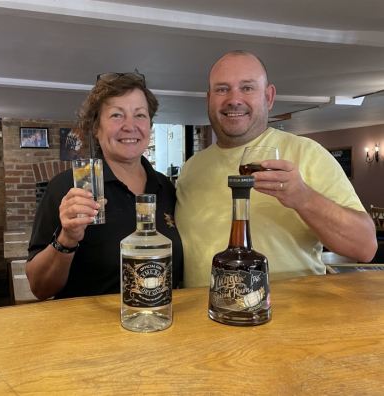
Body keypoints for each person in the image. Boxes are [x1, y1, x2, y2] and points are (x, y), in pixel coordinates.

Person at [175, 50, 377, 287]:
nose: (234, 99)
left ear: (269, 97)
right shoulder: (191, 169)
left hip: (291, 318)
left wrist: (303, 198)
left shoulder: (307, 154)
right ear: (209, 98)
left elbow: (365, 247)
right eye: (222, 89)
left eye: (247, 88)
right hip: (204, 317)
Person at [26, 72, 183, 299]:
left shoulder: (165, 188)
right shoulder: (67, 188)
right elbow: (39, 287)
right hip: (92, 331)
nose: (130, 126)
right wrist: (67, 238)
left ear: (150, 125)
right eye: (117, 115)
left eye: (140, 115)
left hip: (159, 324)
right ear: (96, 128)